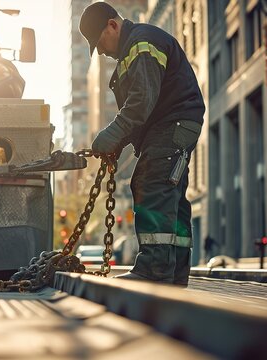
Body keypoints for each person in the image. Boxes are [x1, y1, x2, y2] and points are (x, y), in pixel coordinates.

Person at [79, 2, 205, 287]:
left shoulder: (142, 43)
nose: (100, 51)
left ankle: (154, 269)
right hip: (174, 124)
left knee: (152, 183)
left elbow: (140, 104)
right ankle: (173, 272)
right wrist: (117, 142)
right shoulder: (132, 50)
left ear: (112, 25)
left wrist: (111, 135)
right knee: (171, 195)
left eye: (99, 42)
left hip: (173, 122)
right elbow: (140, 108)